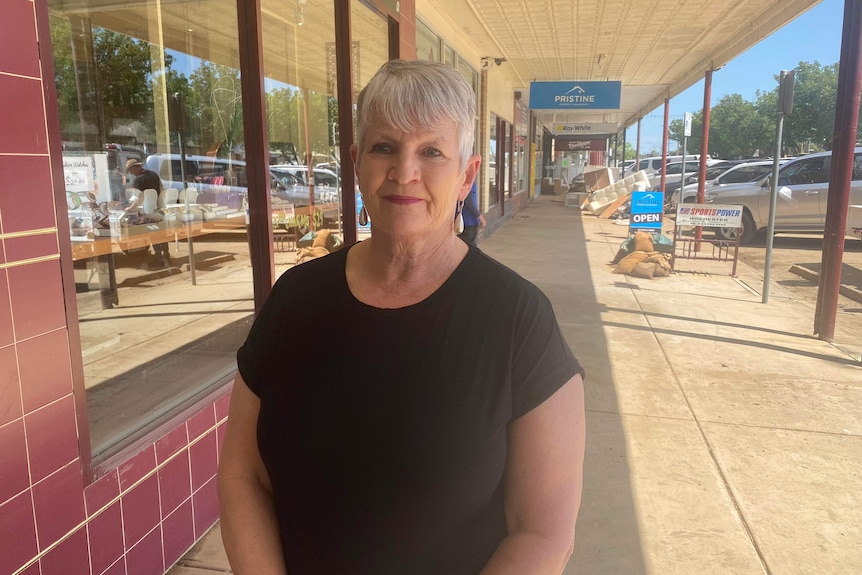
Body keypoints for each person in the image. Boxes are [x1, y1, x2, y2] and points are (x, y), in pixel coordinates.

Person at [218, 59, 586, 575]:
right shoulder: (294, 299)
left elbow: (544, 533)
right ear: (356, 163)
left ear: (467, 175)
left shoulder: (518, 320)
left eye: (431, 151)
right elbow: (243, 474)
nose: (404, 171)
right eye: (384, 147)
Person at [125, 158, 171, 268]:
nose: (131, 173)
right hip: (159, 208)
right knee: (162, 233)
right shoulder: (153, 175)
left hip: (148, 212)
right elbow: (162, 189)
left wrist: (130, 208)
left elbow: (139, 197)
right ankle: (167, 256)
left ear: (135, 167)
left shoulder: (139, 180)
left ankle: (159, 257)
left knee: (153, 234)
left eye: (131, 170)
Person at [458, 179, 486, 246]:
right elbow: (468, 201)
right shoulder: (468, 181)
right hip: (469, 221)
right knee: (470, 247)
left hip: (464, 221)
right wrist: (480, 217)